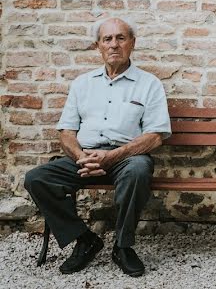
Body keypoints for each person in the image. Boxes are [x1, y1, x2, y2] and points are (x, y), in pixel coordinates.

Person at [24, 17, 171, 277]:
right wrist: (82, 158)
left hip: (126, 157)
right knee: (37, 178)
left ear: (132, 44)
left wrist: (111, 157)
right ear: (98, 46)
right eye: (108, 39)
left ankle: (123, 246)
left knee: (139, 170)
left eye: (121, 38)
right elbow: (67, 132)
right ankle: (84, 239)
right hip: (85, 156)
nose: (114, 44)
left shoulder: (149, 84)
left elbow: (156, 136)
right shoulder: (83, 83)